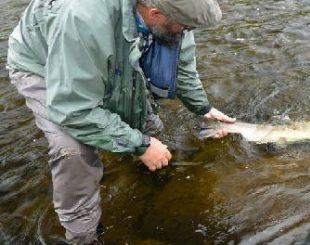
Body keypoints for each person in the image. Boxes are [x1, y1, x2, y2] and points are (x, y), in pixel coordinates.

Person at [6, 0, 235, 243]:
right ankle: (84, 236)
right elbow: (74, 110)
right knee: (74, 149)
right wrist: (141, 145)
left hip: (105, 43)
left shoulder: (172, 14)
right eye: (185, 27)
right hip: (44, 66)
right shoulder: (84, 19)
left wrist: (203, 108)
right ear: (155, 13)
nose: (186, 32)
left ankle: (150, 177)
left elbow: (181, 66)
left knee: (150, 126)